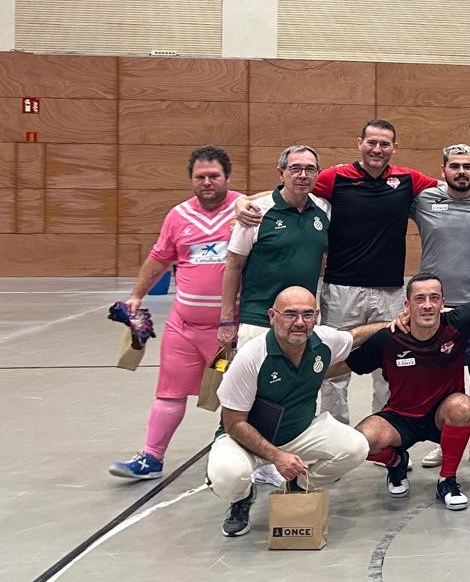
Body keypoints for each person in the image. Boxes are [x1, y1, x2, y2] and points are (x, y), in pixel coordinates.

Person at [235, 119, 441, 424]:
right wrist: (243, 200)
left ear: (394, 148)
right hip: (341, 289)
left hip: (390, 291)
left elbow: (451, 187)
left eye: (384, 144)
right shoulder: (336, 177)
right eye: (371, 142)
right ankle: (334, 432)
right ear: (359, 142)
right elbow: (291, 188)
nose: (377, 149)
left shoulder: (408, 179)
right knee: (332, 369)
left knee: (389, 367)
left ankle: (386, 436)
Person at [109, 145, 242, 482]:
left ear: (227, 177)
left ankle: (240, 461)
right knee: (169, 392)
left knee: (236, 396)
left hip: (229, 331)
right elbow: (159, 258)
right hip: (183, 328)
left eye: (214, 176)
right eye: (201, 177)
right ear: (191, 180)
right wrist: (136, 295)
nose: (208, 182)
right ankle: (151, 458)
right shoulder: (178, 216)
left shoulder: (245, 211)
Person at [346, 274, 470, 511]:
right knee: (360, 442)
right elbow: (349, 363)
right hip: (400, 418)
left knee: (462, 406)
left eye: (434, 298)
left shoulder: (456, 323)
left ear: (442, 303)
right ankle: (396, 462)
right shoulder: (388, 338)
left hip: (441, 416)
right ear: (407, 305)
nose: (427, 305)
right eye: (420, 299)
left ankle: (448, 481)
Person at [207, 286, 380, 537]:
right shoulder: (251, 356)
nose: (299, 322)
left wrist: (395, 323)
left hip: (298, 432)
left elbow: (355, 336)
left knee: (356, 447)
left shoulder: (324, 340)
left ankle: (298, 486)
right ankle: (242, 498)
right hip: (244, 439)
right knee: (228, 476)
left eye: (308, 314)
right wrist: (277, 456)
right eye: (290, 314)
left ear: (317, 316)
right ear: (272, 316)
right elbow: (233, 423)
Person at [412, 144, 470, 469]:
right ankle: (443, 441)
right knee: (440, 383)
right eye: (455, 166)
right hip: (435, 308)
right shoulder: (424, 199)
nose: (461, 172)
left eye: (467, 166)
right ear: (443, 170)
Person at [218, 145, 329, 358]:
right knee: (251, 390)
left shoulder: (324, 209)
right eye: (295, 168)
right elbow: (233, 265)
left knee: (295, 388)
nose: (303, 175)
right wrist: (226, 321)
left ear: (318, 174)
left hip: (301, 324)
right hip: (258, 321)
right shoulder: (255, 212)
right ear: (281, 173)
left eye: (310, 169)